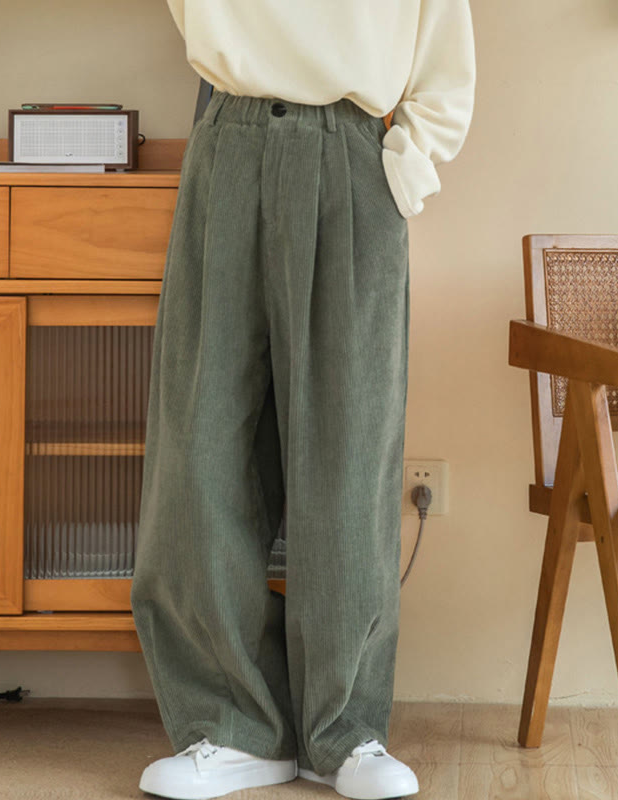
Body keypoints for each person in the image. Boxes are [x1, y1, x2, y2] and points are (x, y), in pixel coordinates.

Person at [130, 1, 476, 798]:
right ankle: (229, 724)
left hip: (353, 153)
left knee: (350, 449)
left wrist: (402, 168)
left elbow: (445, 60)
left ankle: (346, 733)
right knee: (201, 442)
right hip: (230, 141)